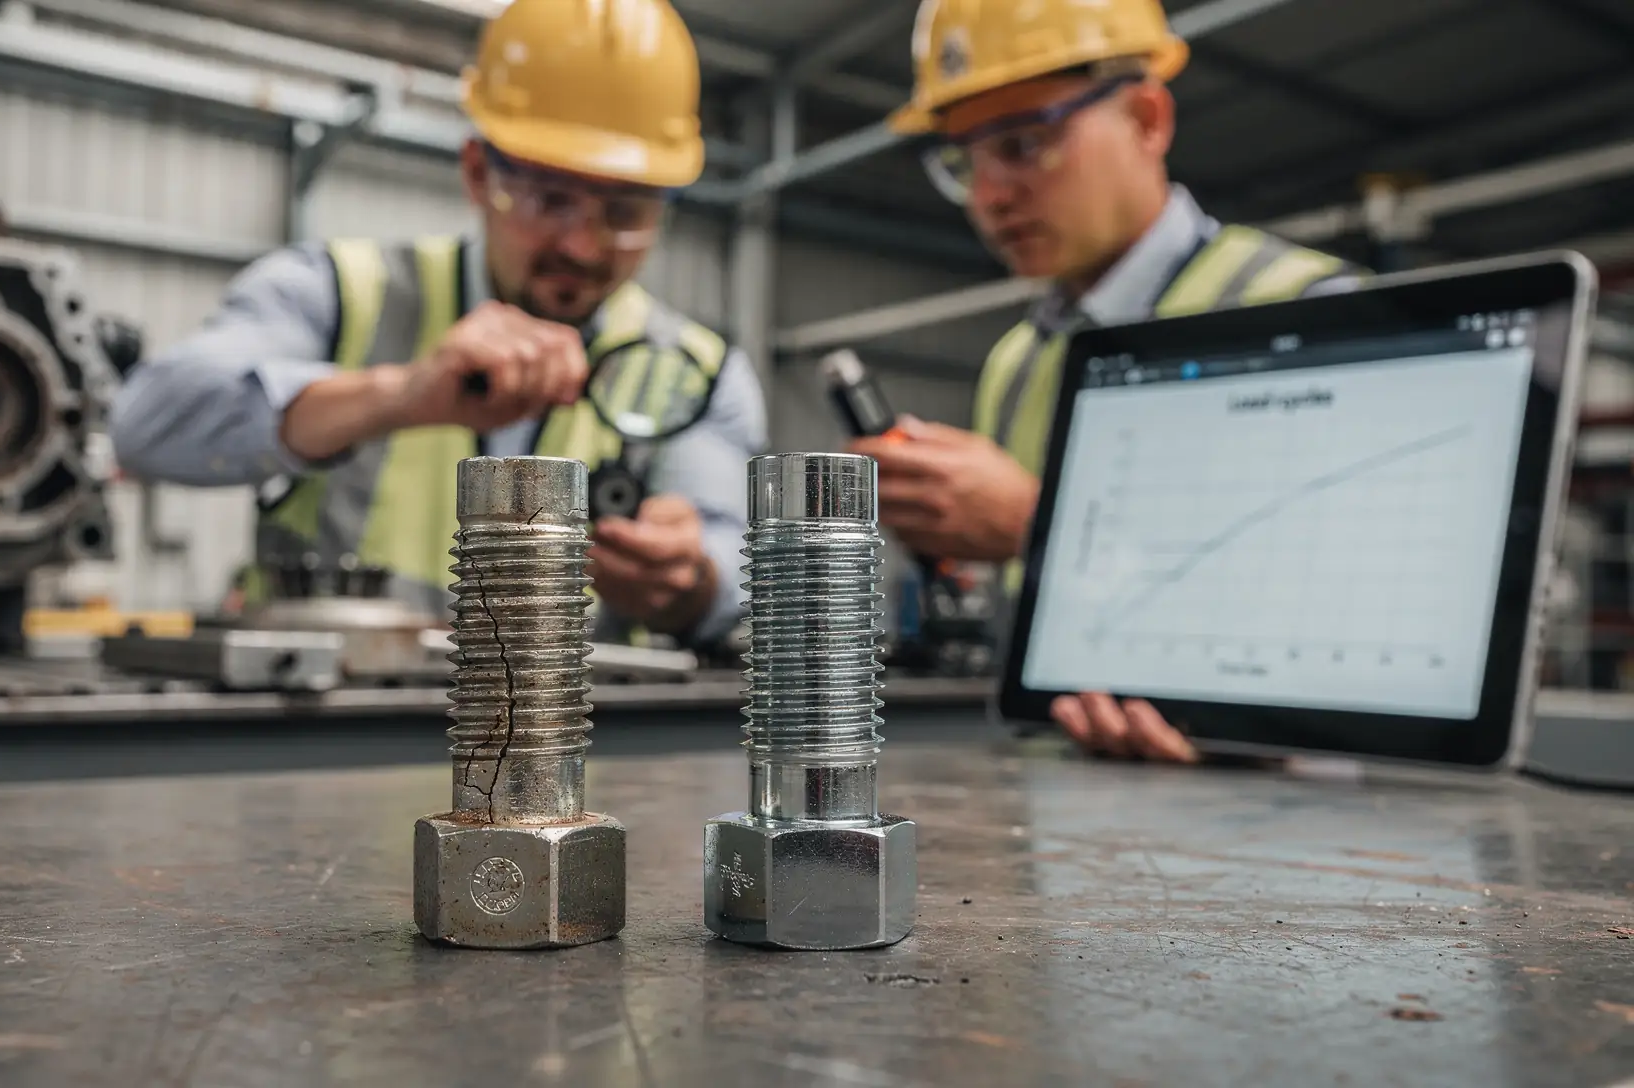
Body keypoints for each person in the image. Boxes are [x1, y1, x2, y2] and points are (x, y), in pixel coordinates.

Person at [110, 0, 764, 650]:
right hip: (331, 738)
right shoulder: (340, 292)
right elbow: (147, 425)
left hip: (575, 738)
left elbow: (729, 561)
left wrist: (689, 578)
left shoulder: (700, 370)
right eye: (550, 198)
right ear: (479, 174)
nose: (584, 247)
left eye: (624, 211)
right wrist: (395, 395)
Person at [852, 0, 1361, 761]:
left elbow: (1347, 611)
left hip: (1273, 795)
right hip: (1061, 776)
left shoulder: (1307, 308)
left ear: (1148, 118)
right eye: (964, 161)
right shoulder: (1018, 362)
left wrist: (1034, 523)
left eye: (1024, 144)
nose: (990, 196)